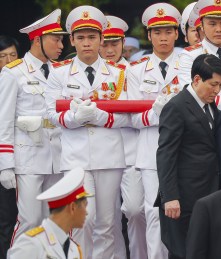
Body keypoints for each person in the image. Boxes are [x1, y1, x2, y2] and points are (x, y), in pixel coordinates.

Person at [44, 6, 130, 259]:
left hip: (109, 155)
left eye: (92, 37)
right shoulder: (59, 73)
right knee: (84, 219)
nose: (87, 43)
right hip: (76, 157)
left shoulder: (119, 73)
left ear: (102, 39)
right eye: (80, 38)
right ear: (72, 40)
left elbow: (127, 115)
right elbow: (51, 114)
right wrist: (75, 118)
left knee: (106, 223)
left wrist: (102, 117)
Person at [0, 9, 66, 246]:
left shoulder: (61, 71)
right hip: (27, 156)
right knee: (30, 220)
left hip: (58, 155)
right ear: (38, 40)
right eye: (55, 39)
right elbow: (4, 120)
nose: (61, 45)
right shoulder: (13, 72)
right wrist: (5, 164)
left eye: (61, 39)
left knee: (56, 221)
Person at [126, 3, 183, 258]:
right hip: (151, 149)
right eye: (157, 32)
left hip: (185, 147)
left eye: (168, 32)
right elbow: (133, 119)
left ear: (176, 34)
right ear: (148, 36)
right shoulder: (135, 70)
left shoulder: (188, 64)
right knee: (153, 213)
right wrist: (157, 112)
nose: (163, 37)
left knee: (184, 211)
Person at [156, 54, 221, 259]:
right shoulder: (176, 107)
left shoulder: (210, 105)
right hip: (183, 199)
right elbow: (166, 154)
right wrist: (170, 197)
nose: (217, 90)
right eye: (213, 84)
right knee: (183, 253)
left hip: (208, 194)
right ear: (196, 80)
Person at [99, 15, 148, 259]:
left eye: (114, 43)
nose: (109, 50)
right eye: (104, 44)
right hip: (99, 151)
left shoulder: (137, 71)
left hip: (131, 150)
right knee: (105, 217)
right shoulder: (90, 72)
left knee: (135, 209)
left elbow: (141, 112)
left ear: (122, 43)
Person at [7, 167, 92, 259]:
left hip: (55, 166)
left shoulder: (74, 250)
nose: (87, 212)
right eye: (84, 205)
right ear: (72, 208)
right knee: (30, 220)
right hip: (27, 164)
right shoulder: (31, 244)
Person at [0, 35, 19, 259]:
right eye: (3, 56)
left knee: (9, 218)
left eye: (13, 55)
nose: (8, 60)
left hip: (9, 157)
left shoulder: (19, 79)